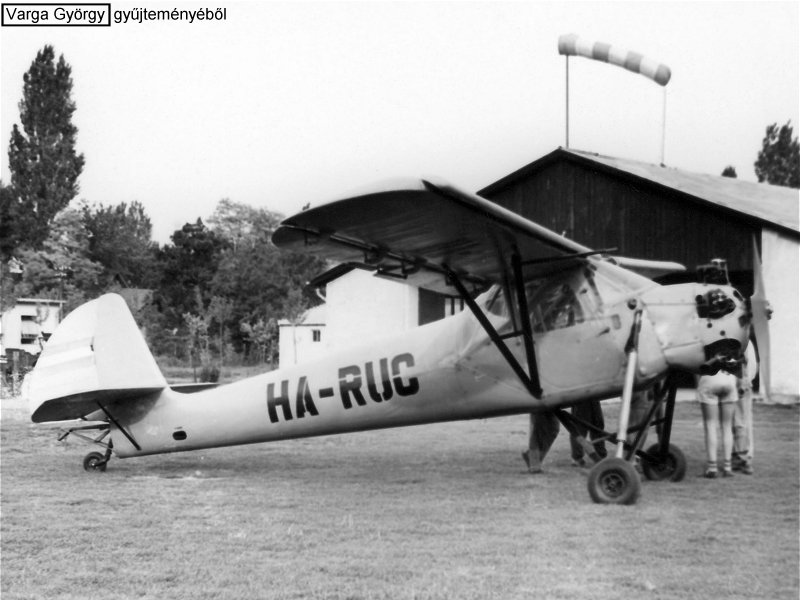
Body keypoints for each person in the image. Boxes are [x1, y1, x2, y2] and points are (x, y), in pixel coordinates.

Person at [697, 369, 739, 478]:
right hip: (729, 378)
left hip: (709, 378)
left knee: (710, 425)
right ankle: (727, 467)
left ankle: (712, 468)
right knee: (727, 426)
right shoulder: (732, 351)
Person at [732, 343, 757, 475]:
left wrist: (745, 383)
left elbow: (750, 365)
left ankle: (745, 458)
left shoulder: (744, 342)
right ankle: (737, 455)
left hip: (742, 385)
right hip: (734, 385)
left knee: (743, 422)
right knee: (735, 423)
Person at [568, 400, 607, 467]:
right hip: (581, 397)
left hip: (594, 397)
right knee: (579, 426)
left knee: (597, 426)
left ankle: (601, 455)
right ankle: (577, 458)